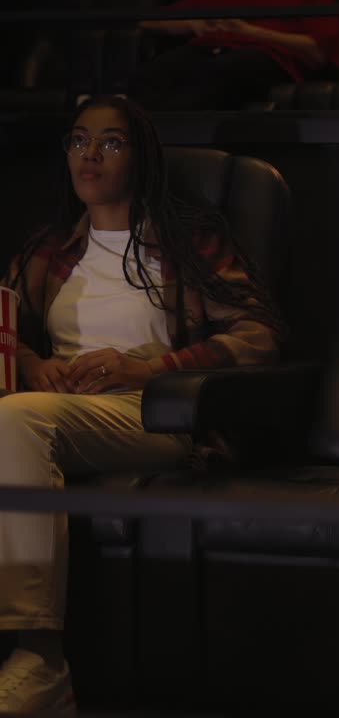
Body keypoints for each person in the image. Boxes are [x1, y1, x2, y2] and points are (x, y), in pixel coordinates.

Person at [0, 95, 282, 715]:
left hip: (153, 413)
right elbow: (8, 333)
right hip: (65, 407)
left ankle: (40, 659)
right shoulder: (49, 248)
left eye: (110, 143)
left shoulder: (186, 241)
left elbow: (256, 336)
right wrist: (32, 364)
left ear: (142, 159)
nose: (89, 155)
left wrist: (150, 367)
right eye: (77, 141)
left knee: (15, 418)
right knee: (20, 412)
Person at [131, 0, 339, 110]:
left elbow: (318, 52)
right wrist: (189, 23)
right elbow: (147, 20)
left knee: (219, 72)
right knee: (151, 75)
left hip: (267, 54)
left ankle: (169, 142)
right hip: (206, 49)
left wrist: (250, 31)